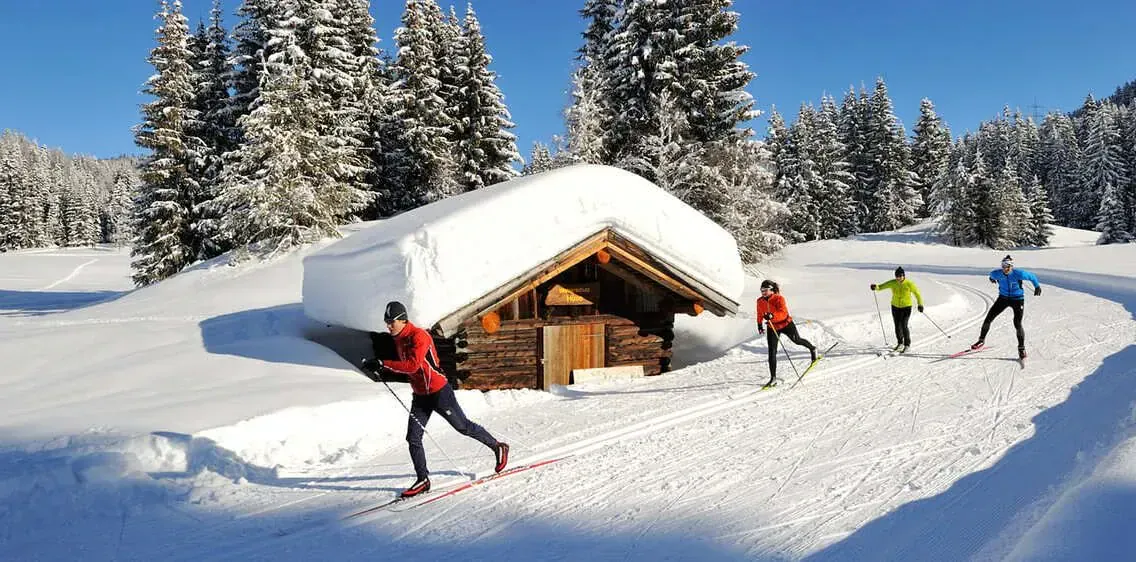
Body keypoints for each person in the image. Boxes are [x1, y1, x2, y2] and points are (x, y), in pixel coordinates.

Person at [362, 301, 509, 498]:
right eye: (386, 322)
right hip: (420, 395)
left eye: (391, 322)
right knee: (413, 437)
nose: (388, 326)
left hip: (438, 391)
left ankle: (498, 446)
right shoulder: (398, 338)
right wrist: (377, 365)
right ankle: (423, 479)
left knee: (462, 426)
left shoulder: (419, 336)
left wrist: (383, 363)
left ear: (403, 320)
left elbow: (413, 366)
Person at [971, 255, 1041, 359]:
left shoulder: (1019, 273)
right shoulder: (996, 273)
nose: (1006, 268)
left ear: (1012, 266)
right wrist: (991, 278)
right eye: (1004, 266)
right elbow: (991, 275)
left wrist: (1037, 286)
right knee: (988, 318)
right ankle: (981, 341)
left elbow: (1032, 277)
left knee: (1017, 323)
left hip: (1017, 299)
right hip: (1003, 299)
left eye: (1008, 266)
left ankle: (1021, 348)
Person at [756, 280, 817, 387]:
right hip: (772, 327)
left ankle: (812, 348)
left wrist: (772, 316)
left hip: (786, 324)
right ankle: (773, 378)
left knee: (797, 340)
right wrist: (759, 325)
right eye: (761, 290)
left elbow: (783, 313)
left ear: (771, 290)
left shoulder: (779, 298)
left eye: (765, 290)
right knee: (772, 352)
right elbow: (759, 313)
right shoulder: (759, 301)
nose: (763, 293)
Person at [870, 266, 924, 354]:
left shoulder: (909, 284)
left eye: (900, 276)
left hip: (906, 307)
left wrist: (920, 304)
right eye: (897, 276)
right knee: (897, 326)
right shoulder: (893, 283)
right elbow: (881, 287)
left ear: (903, 276)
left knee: (904, 325)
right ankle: (900, 343)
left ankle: (907, 345)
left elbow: (917, 293)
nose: (898, 278)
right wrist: (875, 287)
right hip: (895, 307)